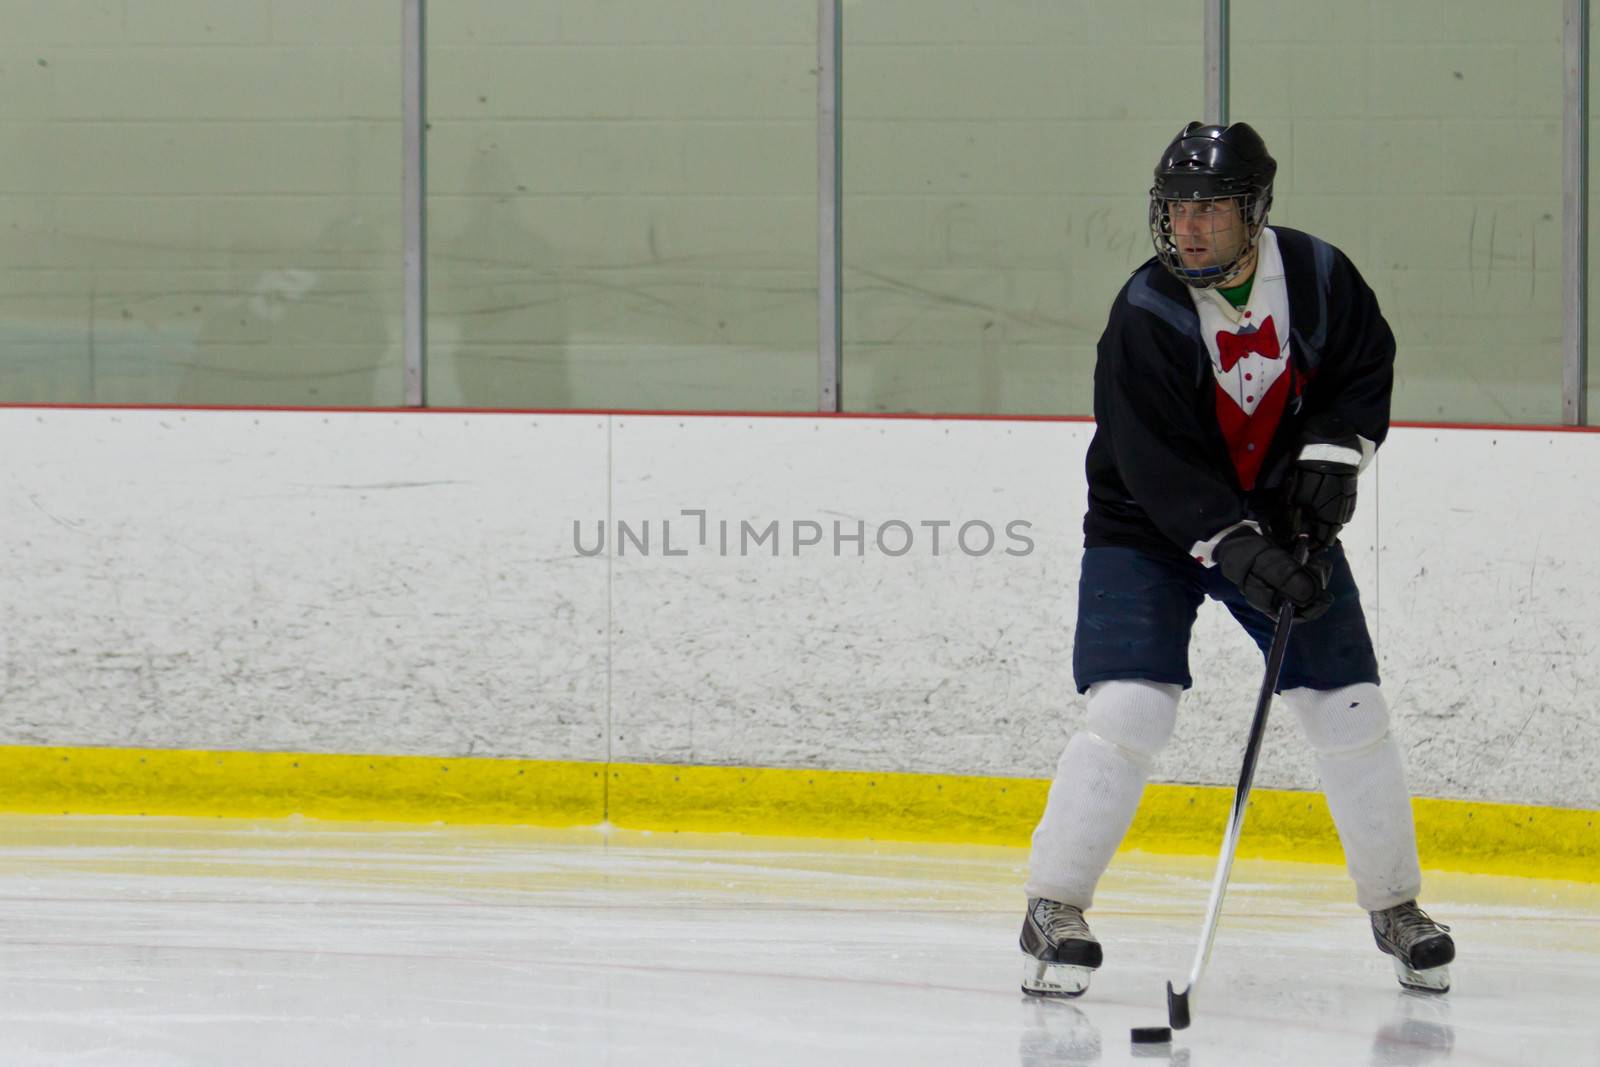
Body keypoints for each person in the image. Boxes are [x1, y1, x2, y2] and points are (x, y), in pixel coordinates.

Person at [1019, 122, 1455, 1000]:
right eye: (1177, 208)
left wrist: (1334, 464)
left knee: (1349, 705)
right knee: (1132, 706)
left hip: (1281, 521)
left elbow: (1362, 373)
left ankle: (1398, 907)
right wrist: (1234, 546)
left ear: (1254, 212)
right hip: (1147, 526)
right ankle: (1052, 904)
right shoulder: (1144, 311)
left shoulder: (1323, 277)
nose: (1187, 227)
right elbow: (1152, 462)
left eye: (1211, 209)